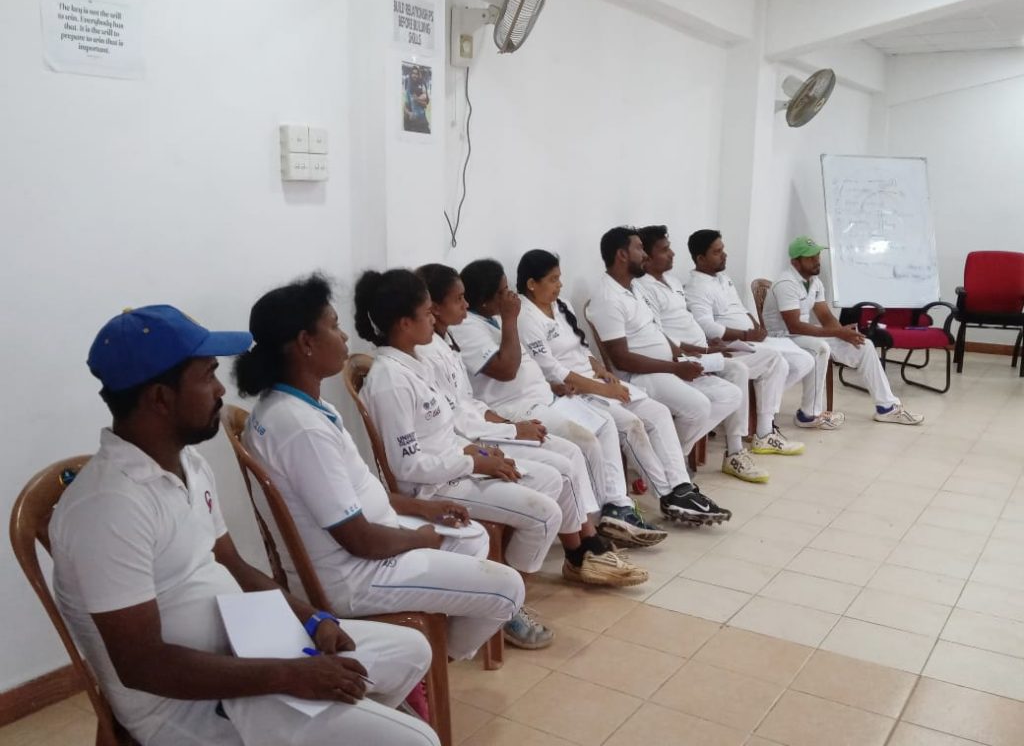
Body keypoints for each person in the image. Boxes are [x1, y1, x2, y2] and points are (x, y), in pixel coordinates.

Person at [50, 305, 439, 746]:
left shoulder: (189, 464)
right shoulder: (108, 507)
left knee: (411, 651)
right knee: (416, 740)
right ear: (160, 398)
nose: (220, 389)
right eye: (207, 375)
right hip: (185, 705)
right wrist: (290, 675)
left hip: (249, 649)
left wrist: (313, 620)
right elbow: (143, 667)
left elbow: (232, 563)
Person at [235, 274, 533, 655]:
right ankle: (442, 658)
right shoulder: (300, 428)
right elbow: (359, 539)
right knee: (507, 589)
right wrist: (420, 538)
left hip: (370, 543)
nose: (344, 336)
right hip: (356, 574)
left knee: (470, 537)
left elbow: (358, 490)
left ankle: (434, 648)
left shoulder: (299, 406)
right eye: (334, 326)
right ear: (306, 343)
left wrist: (422, 510)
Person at [416, 264, 663, 566]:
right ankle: (583, 545)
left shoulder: (447, 342)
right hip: (496, 423)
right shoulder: (450, 340)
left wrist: (512, 423)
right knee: (569, 460)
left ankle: (603, 520)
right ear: (433, 309)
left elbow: (469, 403)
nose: (465, 305)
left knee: (596, 434)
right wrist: (510, 429)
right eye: (458, 299)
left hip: (511, 413)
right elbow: (486, 391)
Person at [514, 248, 718, 518]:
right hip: (572, 392)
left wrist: (600, 370)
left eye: (559, 278)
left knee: (657, 412)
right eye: (553, 279)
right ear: (531, 283)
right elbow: (553, 371)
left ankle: (681, 486)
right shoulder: (525, 316)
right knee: (630, 424)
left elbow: (581, 346)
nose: (559, 285)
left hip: (596, 381)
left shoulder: (561, 304)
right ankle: (665, 495)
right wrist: (605, 389)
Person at [584, 227, 740, 514]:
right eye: (639, 249)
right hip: (640, 376)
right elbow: (622, 359)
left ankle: (671, 465)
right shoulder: (607, 298)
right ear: (621, 255)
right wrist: (674, 367)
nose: (644, 255)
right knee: (698, 406)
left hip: (668, 366)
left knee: (730, 394)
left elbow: (655, 332)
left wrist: (685, 355)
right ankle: (676, 481)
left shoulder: (633, 289)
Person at [634, 226, 804, 462]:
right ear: (646, 256)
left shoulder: (673, 282)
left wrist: (711, 345)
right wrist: (706, 348)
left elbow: (691, 321)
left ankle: (757, 436)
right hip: (685, 356)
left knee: (774, 359)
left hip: (706, 349)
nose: (672, 253)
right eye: (664, 250)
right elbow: (660, 335)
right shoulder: (643, 288)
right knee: (739, 370)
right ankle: (729, 450)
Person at [762, 236, 924, 427]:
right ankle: (808, 415)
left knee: (864, 345)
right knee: (820, 348)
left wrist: (845, 334)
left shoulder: (814, 282)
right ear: (795, 262)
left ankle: (886, 407)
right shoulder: (786, 283)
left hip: (803, 334)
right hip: (783, 337)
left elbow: (825, 317)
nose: (817, 260)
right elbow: (794, 326)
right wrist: (838, 333)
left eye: (817, 255)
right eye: (810, 257)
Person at [684, 228, 823, 431]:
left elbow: (741, 309)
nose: (724, 255)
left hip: (753, 337)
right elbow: (706, 326)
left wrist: (757, 327)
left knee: (805, 360)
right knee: (781, 363)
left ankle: (757, 408)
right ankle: (762, 421)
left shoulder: (723, 278)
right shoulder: (696, 287)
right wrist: (746, 335)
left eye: (723, 249)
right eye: (717, 252)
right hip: (733, 344)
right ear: (700, 258)